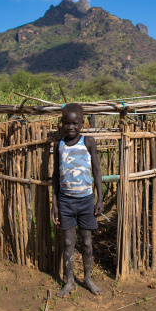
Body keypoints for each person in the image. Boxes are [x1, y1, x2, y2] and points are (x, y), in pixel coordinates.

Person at [51, 103, 104, 297]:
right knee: (68, 243)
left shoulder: (88, 141)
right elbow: (56, 175)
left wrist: (99, 198)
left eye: (75, 123)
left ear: (82, 123)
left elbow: (97, 171)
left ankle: (88, 278)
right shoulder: (59, 145)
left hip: (86, 201)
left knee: (87, 242)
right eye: (67, 123)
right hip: (65, 202)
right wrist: (54, 203)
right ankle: (70, 281)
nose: (70, 127)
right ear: (62, 123)